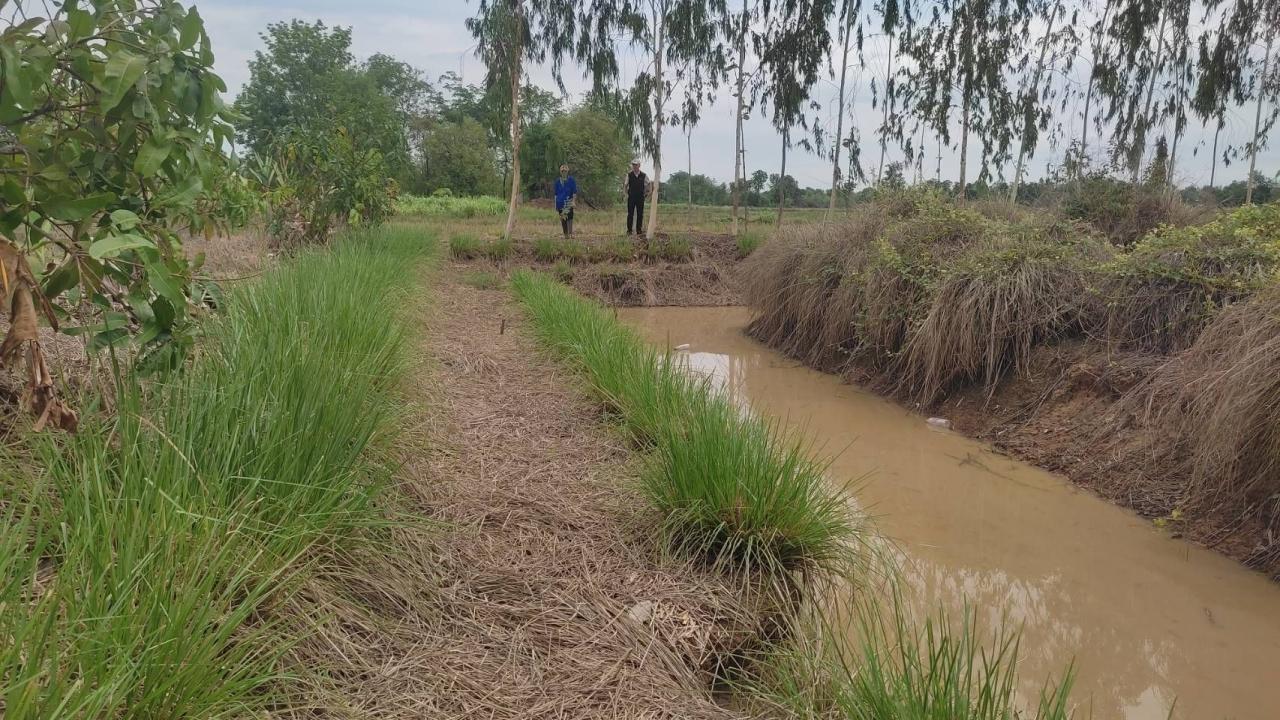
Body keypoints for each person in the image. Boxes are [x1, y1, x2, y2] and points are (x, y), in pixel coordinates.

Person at [625, 160, 648, 235]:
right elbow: (625, 185)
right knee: (630, 214)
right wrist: (626, 194)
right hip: (631, 197)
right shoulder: (629, 174)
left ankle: (639, 230)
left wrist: (647, 192)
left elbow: (648, 183)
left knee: (640, 214)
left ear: (639, 165)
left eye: (636, 165)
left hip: (640, 197)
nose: (634, 166)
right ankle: (629, 231)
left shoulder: (644, 175)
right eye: (633, 165)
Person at [554, 164, 577, 238]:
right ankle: (566, 234)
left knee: (570, 218)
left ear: (567, 171)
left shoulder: (571, 180)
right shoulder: (557, 181)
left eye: (565, 171)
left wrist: (573, 201)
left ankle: (570, 234)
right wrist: (555, 205)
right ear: (560, 172)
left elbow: (574, 192)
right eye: (562, 171)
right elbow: (556, 194)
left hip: (568, 201)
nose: (564, 172)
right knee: (563, 219)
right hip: (560, 202)